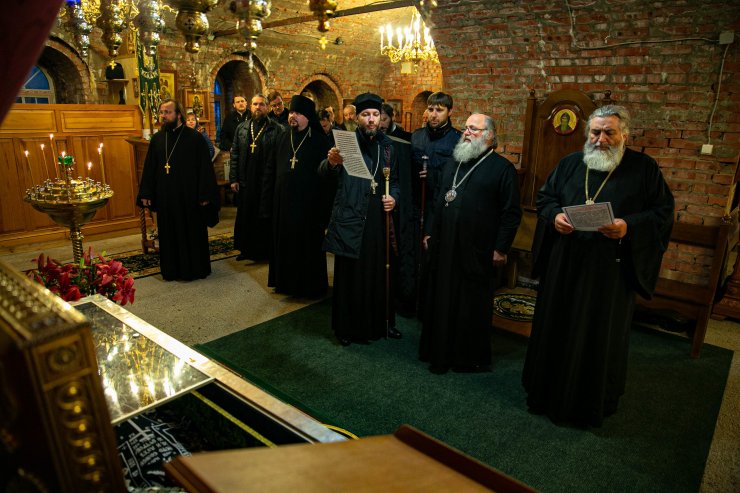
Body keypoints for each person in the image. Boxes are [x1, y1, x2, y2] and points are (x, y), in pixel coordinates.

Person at [522, 104, 675, 427]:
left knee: (597, 333)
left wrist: (627, 226)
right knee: (557, 326)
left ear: (624, 135)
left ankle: (589, 402)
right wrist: (555, 216)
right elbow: (546, 199)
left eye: (609, 132)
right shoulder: (569, 163)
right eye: (595, 132)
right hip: (565, 263)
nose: (601, 139)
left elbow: (662, 214)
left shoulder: (643, 169)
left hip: (610, 270)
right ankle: (545, 393)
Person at [420, 113, 522, 374]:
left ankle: (466, 357)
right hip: (445, 245)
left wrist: (501, 248)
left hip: (477, 249)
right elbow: (438, 198)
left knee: (469, 303)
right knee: (442, 297)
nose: (466, 132)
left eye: (474, 129)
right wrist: (429, 231)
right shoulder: (454, 161)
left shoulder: (503, 169)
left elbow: (511, 214)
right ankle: (438, 351)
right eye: (466, 128)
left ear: (489, 136)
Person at [321, 93, 401, 346]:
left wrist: (394, 198)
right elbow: (322, 173)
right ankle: (346, 328)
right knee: (350, 276)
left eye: (376, 115)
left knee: (376, 272)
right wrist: (331, 163)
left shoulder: (388, 146)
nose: (371, 119)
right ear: (356, 118)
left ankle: (379, 323)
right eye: (366, 115)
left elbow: (395, 182)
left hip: (377, 219)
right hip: (351, 215)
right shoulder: (345, 142)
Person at [137, 99, 219, 281]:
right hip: (166, 197)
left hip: (190, 197)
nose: (163, 116)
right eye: (162, 112)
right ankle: (171, 270)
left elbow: (205, 168)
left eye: (167, 112)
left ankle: (195, 269)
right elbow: (150, 167)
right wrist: (146, 192)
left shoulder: (195, 138)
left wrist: (205, 194)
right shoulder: (158, 139)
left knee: (191, 232)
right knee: (169, 233)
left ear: (178, 114)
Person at [262, 95, 333, 297]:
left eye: (298, 113)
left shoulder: (320, 141)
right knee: (285, 244)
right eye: (291, 112)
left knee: (306, 246)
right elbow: (270, 168)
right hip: (283, 204)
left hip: (308, 207)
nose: (292, 116)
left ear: (308, 116)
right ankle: (285, 284)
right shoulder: (283, 137)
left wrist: (324, 211)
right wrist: (267, 201)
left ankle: (308, 287)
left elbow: (327, 179)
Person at [410, 92, 462, 316]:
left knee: (434, 256)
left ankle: (431, 306)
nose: (433, 114)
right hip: (416, 204)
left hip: (440, 207)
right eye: (430, 109)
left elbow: (457, 177)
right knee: (414, 254)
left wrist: (433, 175)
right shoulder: (417, 136)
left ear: (450, 112)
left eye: (439, 110)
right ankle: (412, 300)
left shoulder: (458, 140)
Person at [229, 94, 283, 261]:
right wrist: (233, 178)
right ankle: (246, 250)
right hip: (246, 179)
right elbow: (235, 154)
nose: (258, 107)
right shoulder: (242, 128)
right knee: (246, 215)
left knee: (263, 216)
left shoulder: (277, 129)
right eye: (255, 104)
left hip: (266, 181)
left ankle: (264, 252)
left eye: (261, 104)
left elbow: (280, 158)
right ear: (250, 106)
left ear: (267, 107)